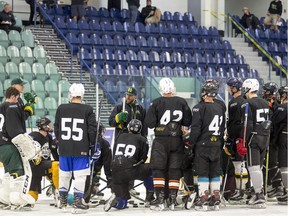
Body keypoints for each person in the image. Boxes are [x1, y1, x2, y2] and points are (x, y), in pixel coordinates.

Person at [145, 77, 192, 211]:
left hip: (161, 140)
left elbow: (150, 123)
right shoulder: (182, 102)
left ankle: (160, 199)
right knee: (174, 170)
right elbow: (188, 121)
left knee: (159, 168)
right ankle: (172, 199)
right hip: (177, 139)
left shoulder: (156, 103)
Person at [54, 83, 97, 212]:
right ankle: (78, 200)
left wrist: (61, 141)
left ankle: (63, 201)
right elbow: (92, 130)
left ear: (71, 94)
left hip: (65, 148)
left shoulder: (61, 108)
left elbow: (57, 128)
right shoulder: (88, 109)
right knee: (80, 176)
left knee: (64, 175)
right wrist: (92, 145)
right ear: (82, 94)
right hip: (81, 148)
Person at [0, 87, 40, 208]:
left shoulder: (3, 107)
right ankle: (17, 199)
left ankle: (4, 199)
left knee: (8, 173)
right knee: (19, 172)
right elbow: (15, 131)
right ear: (13, 96)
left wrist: (26, 110)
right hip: (9, 146)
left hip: (1, 146)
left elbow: (17, 117)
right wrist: (29, 145)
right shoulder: (12, 108)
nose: (18, 101)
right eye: (17, 98)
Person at [189, 82, 225, 211]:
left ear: (204, 93)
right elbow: (222, 128)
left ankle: (203, 199)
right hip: (216, 143)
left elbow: (196, 129)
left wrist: (190, 143)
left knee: (203, 172)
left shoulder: (199, 107)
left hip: (203, 144)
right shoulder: (220, 107)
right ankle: (215, 200)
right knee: (215, 171)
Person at [104, 119, 154, 212]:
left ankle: (116, 200)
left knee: (122, 204)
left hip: (115, 170)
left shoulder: (120, 136)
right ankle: (150, 195)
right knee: (151, 169)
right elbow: (142, 159)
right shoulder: (142, 139)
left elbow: (114, 152)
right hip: (129, 170)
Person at [109, 86, 146, 196]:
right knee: (119, 162)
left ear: (135, 96)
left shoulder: (141, 109)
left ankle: (130, 186)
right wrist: (118, 118)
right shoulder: (119, 107)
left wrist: (144, 138)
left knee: (133, 162)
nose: (128, 97)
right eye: (127, 95)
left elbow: (144, 126)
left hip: (136, 141)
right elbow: (111, 122)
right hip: (122, 138)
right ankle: (118, 186)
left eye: (130, 95)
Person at [239, 79, 271, 208]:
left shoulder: (247, 103)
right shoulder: (264, 102)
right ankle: (257, 192)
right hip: (265, 136)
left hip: (254, 136)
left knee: (253, 167)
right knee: (259, 166)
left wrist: (243, 140)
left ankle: (259, 194)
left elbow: (247, 124)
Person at [224, 78, 249, 202]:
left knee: (239, 164)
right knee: (240, 164)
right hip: (241, 136)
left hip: (236, 137)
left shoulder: (234, 102)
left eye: (229, 87)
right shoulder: (243, 101)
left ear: (234, 88)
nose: (228, 89)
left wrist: (232, 138)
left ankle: (241, 191)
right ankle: (243, 190)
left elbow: (235, 123)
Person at [28, 117, 60, 204]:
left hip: (45, 164)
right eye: (49, 125)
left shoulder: (49, 138)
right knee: (33, 193)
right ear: (44, 126)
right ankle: (29, 198)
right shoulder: (34, 135)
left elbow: (54, 152)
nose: (50, 126)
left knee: (58, 165)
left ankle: (59, 191)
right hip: (35, 165)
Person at [262, 82, 284, 200]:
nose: (263, 92)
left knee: (273, 162)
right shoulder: (268, 104)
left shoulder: (276, 106)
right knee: (268, 162)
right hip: (268, 137)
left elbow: (274, 121)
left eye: (265, 91)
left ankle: (278, 186)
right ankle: (271, 185)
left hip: (274, 138)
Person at [84, 122, 112, 204]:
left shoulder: (83, 140)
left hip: (79, 169)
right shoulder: (105, 143)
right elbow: (108, 162)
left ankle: (63, 194)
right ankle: (117, 195)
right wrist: (109, 177)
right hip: (92, 171)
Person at [271, 86, 288, 205]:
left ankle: (287, 190)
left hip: (284, 138)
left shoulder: (282, 107)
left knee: (284, 165)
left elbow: (274, 122)